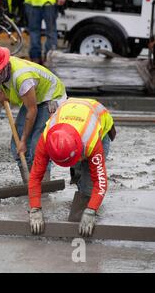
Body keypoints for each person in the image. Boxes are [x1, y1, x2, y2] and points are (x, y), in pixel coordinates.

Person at [0, 43, 66, 181]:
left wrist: (23, 140)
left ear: (4, 66)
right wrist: (5, 93)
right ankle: (29, 181)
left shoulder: (23, 78)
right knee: (16, 146)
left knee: (36, 145)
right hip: (34, 97)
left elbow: (32, 110)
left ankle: (42, 185)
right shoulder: (2, 69)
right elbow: (14, 89)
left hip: (51, 98)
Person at [27, 98, 116, 237]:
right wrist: (35, 209)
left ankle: (85, 210)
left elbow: (100, 181)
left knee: (88, 185)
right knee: (78, 171)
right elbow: (35, 176)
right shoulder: (46, 140)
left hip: (99, 120)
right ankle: (79, 179)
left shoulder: (91, 141)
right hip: (72, 118)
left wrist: (91, 210)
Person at [4, 0, 69, 64]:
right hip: (32, 1)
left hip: (49, 1)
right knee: (35, 32)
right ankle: (36, 58)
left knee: (50, 31)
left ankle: (50, 57)